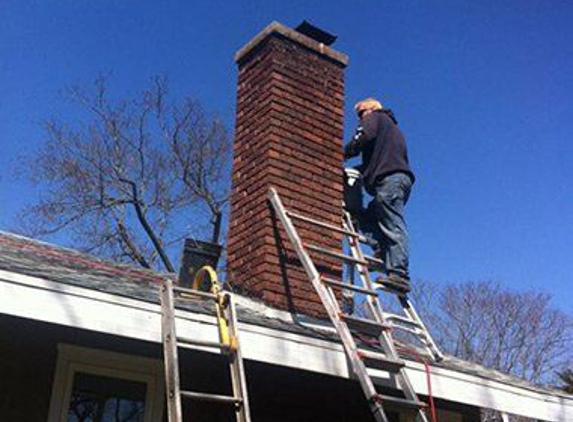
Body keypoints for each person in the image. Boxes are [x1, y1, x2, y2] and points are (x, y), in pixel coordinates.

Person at [344, 97, 415, 291]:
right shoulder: (390, 130)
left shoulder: (375, 118)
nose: (360, 119)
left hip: (390, 180)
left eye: (360, 114)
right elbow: (373, 164)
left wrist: (343, 152)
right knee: (365, 217)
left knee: (392, 223)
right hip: (394, 180)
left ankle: (399, 274)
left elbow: (363, 137)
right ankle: (384, 253)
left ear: (370, 110)